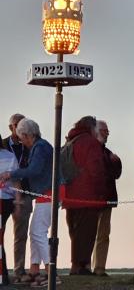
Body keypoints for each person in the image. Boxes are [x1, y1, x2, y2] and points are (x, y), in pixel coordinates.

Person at [0, 119, 55, 287]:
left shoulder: (40, 147)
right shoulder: (41, 146)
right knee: (35, 232)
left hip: (48, 193)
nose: (21, 142)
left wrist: (11, 174)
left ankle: (51, 273)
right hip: (44, 194)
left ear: (26, 135)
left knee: (38, 232)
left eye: (21, 138)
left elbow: (34, 170)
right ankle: (34, 271)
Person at [63, 116, 107, 275]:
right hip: (88, 195)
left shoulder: (71, 140)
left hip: (70, 195)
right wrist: (101, 193)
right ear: (92, 128)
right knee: (87, 233)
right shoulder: (91, 143)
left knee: (75, 233)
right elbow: (96, 170)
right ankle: (81, 267)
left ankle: (76, 266)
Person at [2, 113, 32, 282]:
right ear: (10, 127)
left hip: (26, 193)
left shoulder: (30, 145)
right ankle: (2, 271)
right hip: (4, 196)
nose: (22, 127)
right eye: (18, 124)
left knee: (21, 234)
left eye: (24, 124)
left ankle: (19, 271)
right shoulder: (3, 145)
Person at [90, 120, 122, 276]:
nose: (107, 134)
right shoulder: (89, 150)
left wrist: (117, 163)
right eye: (104, 131)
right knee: (88, 235)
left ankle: (100, 267)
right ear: (95, 131)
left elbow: (116, 174)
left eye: (107, 131)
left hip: (106, 199)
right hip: (90, 199)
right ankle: (84, 267)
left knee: (103, 235)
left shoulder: (108, 152)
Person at [0, 134, 21, 285]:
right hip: (7, 200)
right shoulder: (9, 156)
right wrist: (18, 202)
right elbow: (17, 180)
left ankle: (3, 278)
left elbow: (16, 179)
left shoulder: (8, 156)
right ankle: (4, 277)